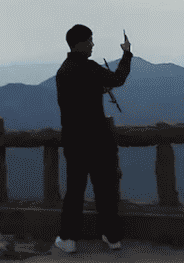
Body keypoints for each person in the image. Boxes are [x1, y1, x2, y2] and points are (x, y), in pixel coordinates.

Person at [54, 24, 132, 254]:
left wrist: (97, 89)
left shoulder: (63, 71)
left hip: (74, 141)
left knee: (75, 191)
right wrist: (127, 54)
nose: (92, 44)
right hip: (99, 140)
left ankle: (68, 239)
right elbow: (118, 78)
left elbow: (75, 99)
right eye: (89, 40)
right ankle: (112, 237)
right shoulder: (90, 68)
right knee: (105, 189)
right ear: (78, 43)